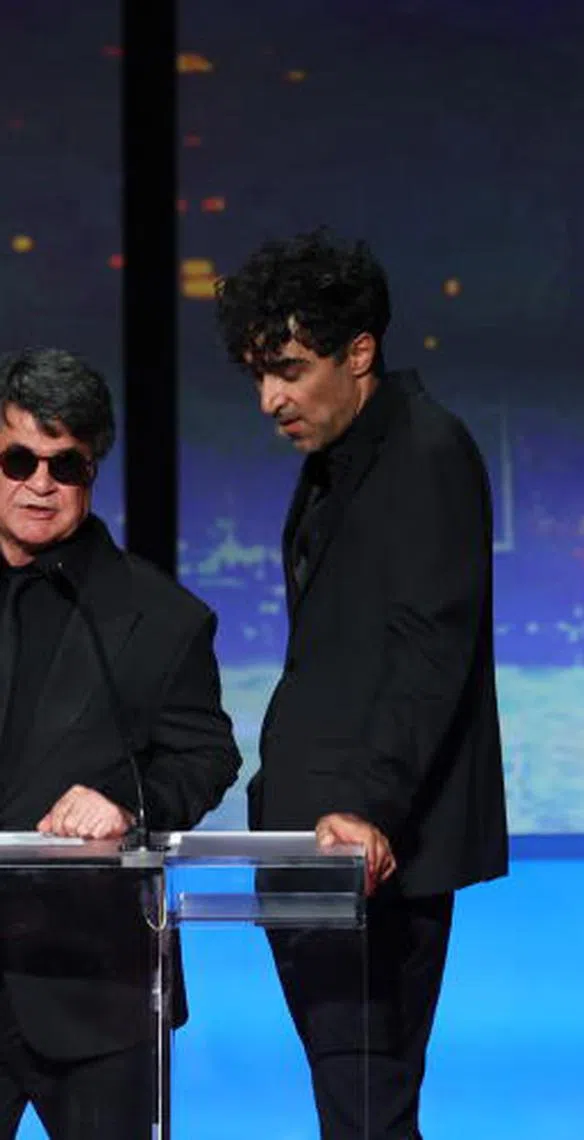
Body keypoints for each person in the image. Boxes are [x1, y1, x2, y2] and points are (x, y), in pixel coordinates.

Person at [215, 229, 508, 1139]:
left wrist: (372, 806)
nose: (271, 398)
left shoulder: (425, 452)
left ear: (360, 354)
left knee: (367, 1108)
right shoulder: (337, 463)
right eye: (259, 374)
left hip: (372, 846)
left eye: (292, 370)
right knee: (354, 1107)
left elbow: (432, 647)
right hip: (314, 835)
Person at [0, 347, 241, 1138]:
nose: (40, 482)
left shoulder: (161, 618)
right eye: (19, 458)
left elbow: (205, 756)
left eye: (63, 464)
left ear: (92, 470)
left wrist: (128, 803)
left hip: (95, 992)